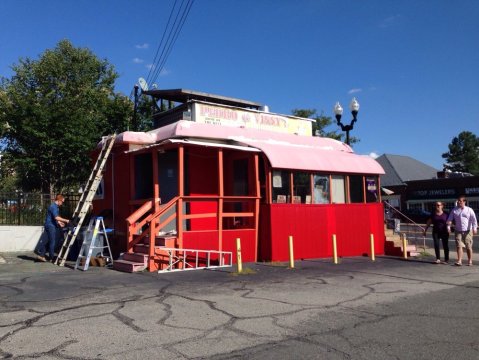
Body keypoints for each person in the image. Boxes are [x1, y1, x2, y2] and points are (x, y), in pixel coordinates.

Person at [37, 194, 70, 262]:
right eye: (62, 202)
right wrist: (66, 220)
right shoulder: (53, 207)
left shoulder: (55, 206)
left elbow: (53, 217)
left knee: (49, 241)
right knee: (53, 242)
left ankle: (41, 255)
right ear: (59, 200)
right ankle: (51, 257)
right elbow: (56, 217)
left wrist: (59, 223)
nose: (62, 203)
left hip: (50, 224)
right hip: (50, 226)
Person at [446, 195, 477, 266]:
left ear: (464, 202)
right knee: (459, 246)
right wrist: (448, 227)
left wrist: (474, 229)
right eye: (458, 201)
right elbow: (449, 220)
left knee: (468, 247)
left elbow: (474, 220)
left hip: (468, 231)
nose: (459, 202)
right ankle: (459, 261)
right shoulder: (454, 210)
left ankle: (470, 261)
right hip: (458, 231)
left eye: (460, 201)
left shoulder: (469, 210)